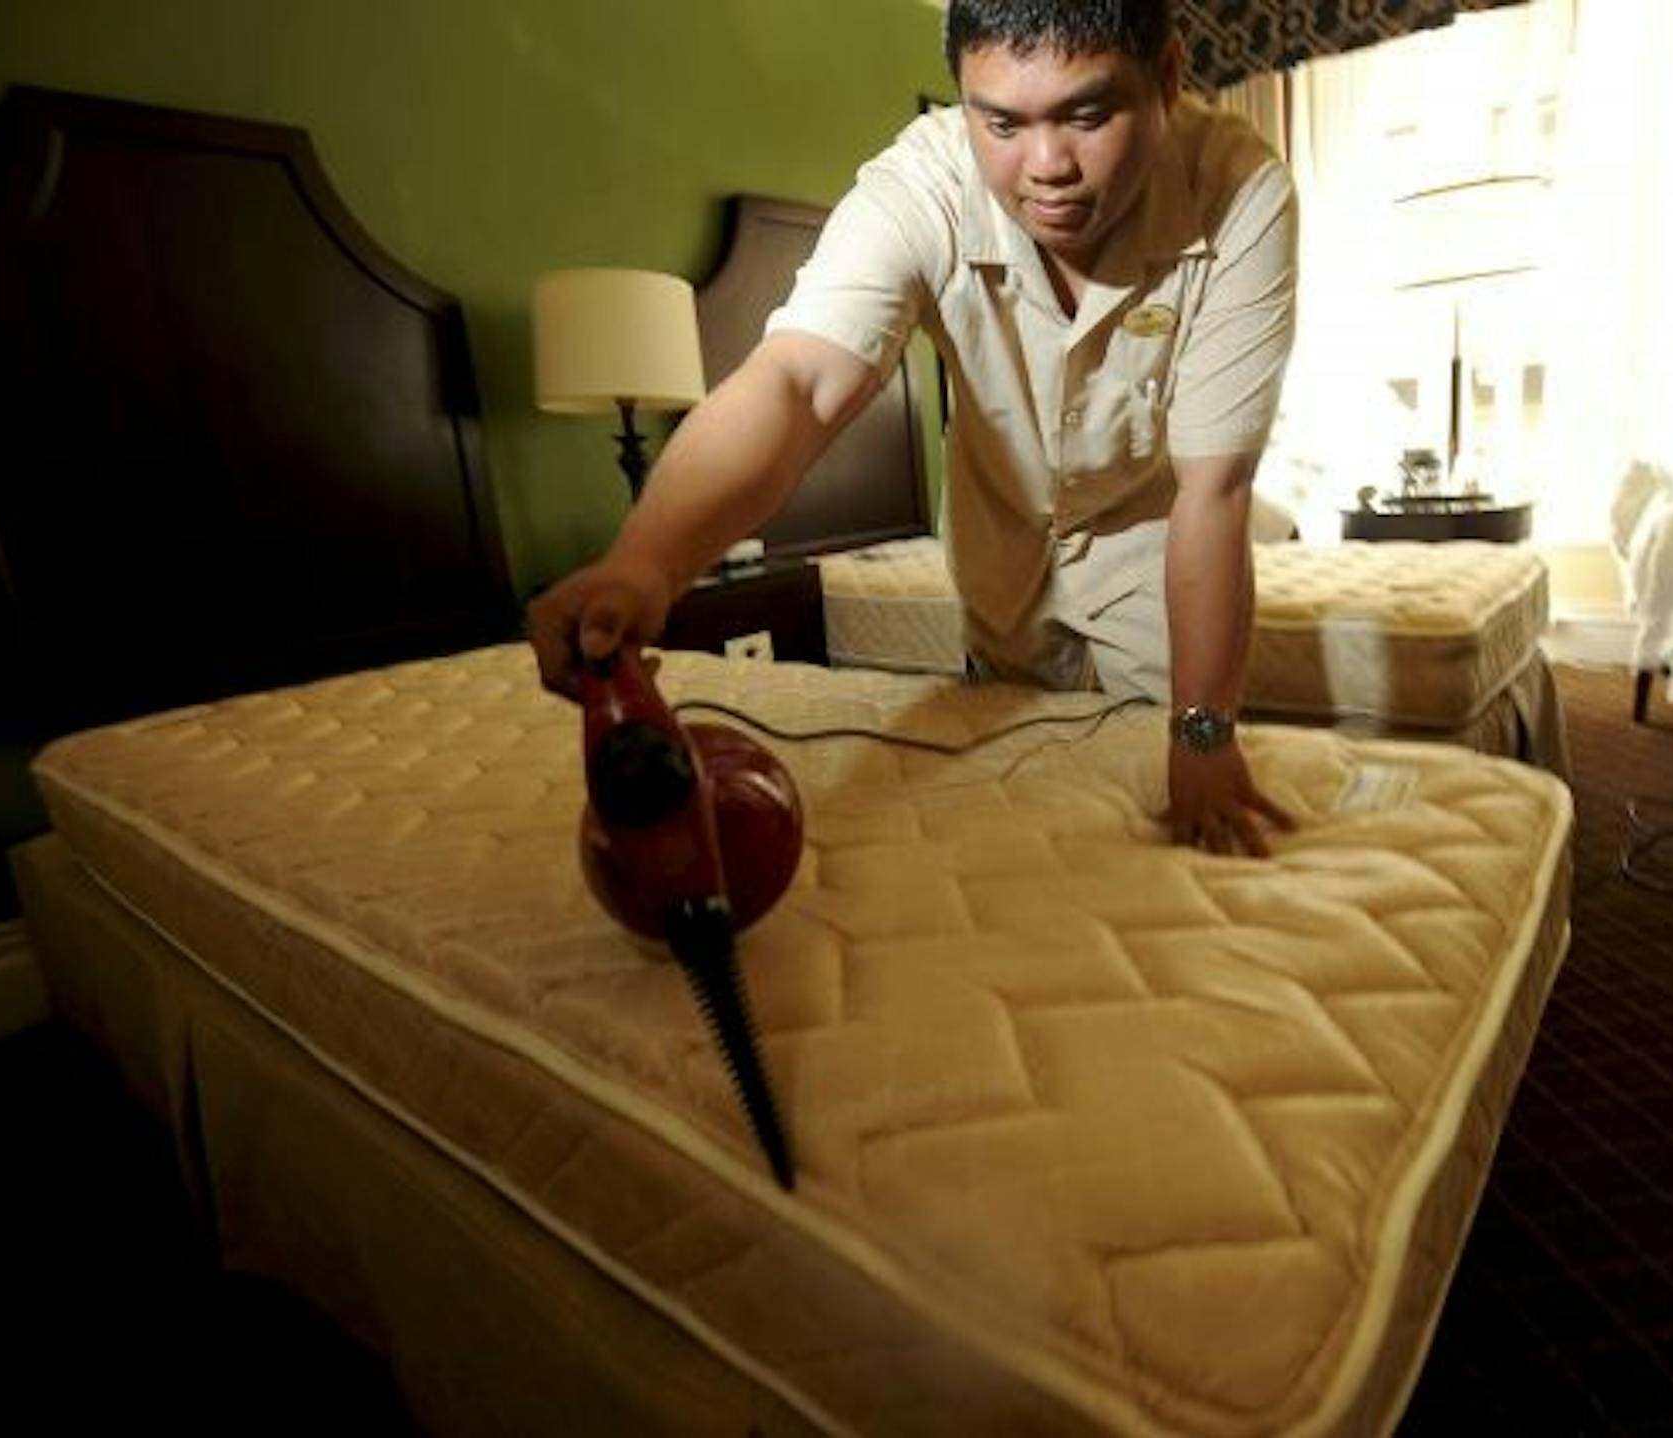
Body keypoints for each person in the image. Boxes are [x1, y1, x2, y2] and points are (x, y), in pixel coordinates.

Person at [528, 0, 1298, 855]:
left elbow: (1214, 490)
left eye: (1087, 116)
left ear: (1168, 78)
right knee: (1028, 826)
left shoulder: (1241, 190)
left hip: (1155, 576)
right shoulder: (922, 184)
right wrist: (646, 561)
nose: (1047, 167)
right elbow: (797, 385)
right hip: (1001, 572)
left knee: (1172, 840)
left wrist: (1204, 732)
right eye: (1001, 122)